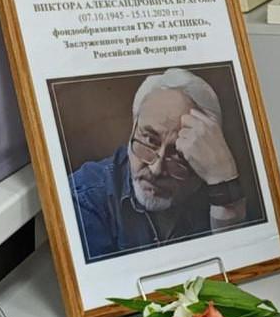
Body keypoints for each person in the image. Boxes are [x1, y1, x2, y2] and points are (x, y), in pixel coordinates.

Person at [68, 68, 248, 262]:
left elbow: (233, 265)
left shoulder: (209, 184)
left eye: (179, 154)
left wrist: (223, 184)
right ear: (133, 128)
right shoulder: (84, 197)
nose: (156, 170)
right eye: (149, 140)